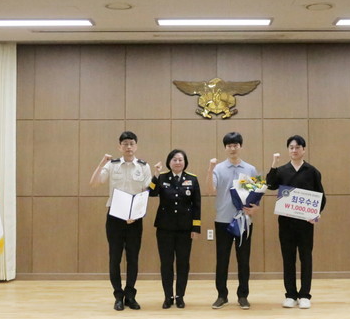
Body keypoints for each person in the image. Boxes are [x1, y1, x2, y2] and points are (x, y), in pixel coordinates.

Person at [90, 131, 153, 311]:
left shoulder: (143, 166)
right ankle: (118, 295)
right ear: (120, 147)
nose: (128, 147)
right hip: (115, 217)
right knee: (115, 258)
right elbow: (94, 183)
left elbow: (147, 191)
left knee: (133, 258)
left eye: (131, 143)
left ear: (136, 146)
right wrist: (101, 163)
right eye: (125, 144)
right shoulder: (111, 165)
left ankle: (130, 295)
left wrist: (137, 214)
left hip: (135, 218)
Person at [266, 134, 326, 310]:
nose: (294, 150)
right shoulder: (282, 170)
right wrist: (274, 164)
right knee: (288, 259)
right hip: (286, 223)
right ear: (288, 150)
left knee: (306, 258)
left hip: (306, 223)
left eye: (297, 147)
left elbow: (321, 197)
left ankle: (305, 295)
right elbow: (270, 184)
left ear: (303, 149)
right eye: (291, 147)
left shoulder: (312, 171)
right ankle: (291, 295)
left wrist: (316, 214)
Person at [206, 131, 259, 310]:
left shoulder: (250, 169)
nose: (232, 148)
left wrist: (255, 208)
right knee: (222, 259)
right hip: (223, 220)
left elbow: (255, 196)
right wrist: (210, 169)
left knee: (243, 259)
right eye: (229, 145)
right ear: (225, 148)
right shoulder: (218, 168)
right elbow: (210, 190)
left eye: (235, 145)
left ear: (240, 146)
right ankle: (222, 295)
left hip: (244, 221)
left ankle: (243, 296)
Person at [149, 149, 201, 309]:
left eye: (180, 160)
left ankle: (180, 296)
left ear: (185, 162)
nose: (177, 162)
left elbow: (197, 205)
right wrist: (155, 174)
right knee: (166, 263)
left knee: (183, 263)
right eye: (174, 159)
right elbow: (151, 193)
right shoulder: (162, 177)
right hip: (165, 228)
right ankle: (168, 296)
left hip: (185, 229)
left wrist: (196, 227)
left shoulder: (192, 179)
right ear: (169, 162)